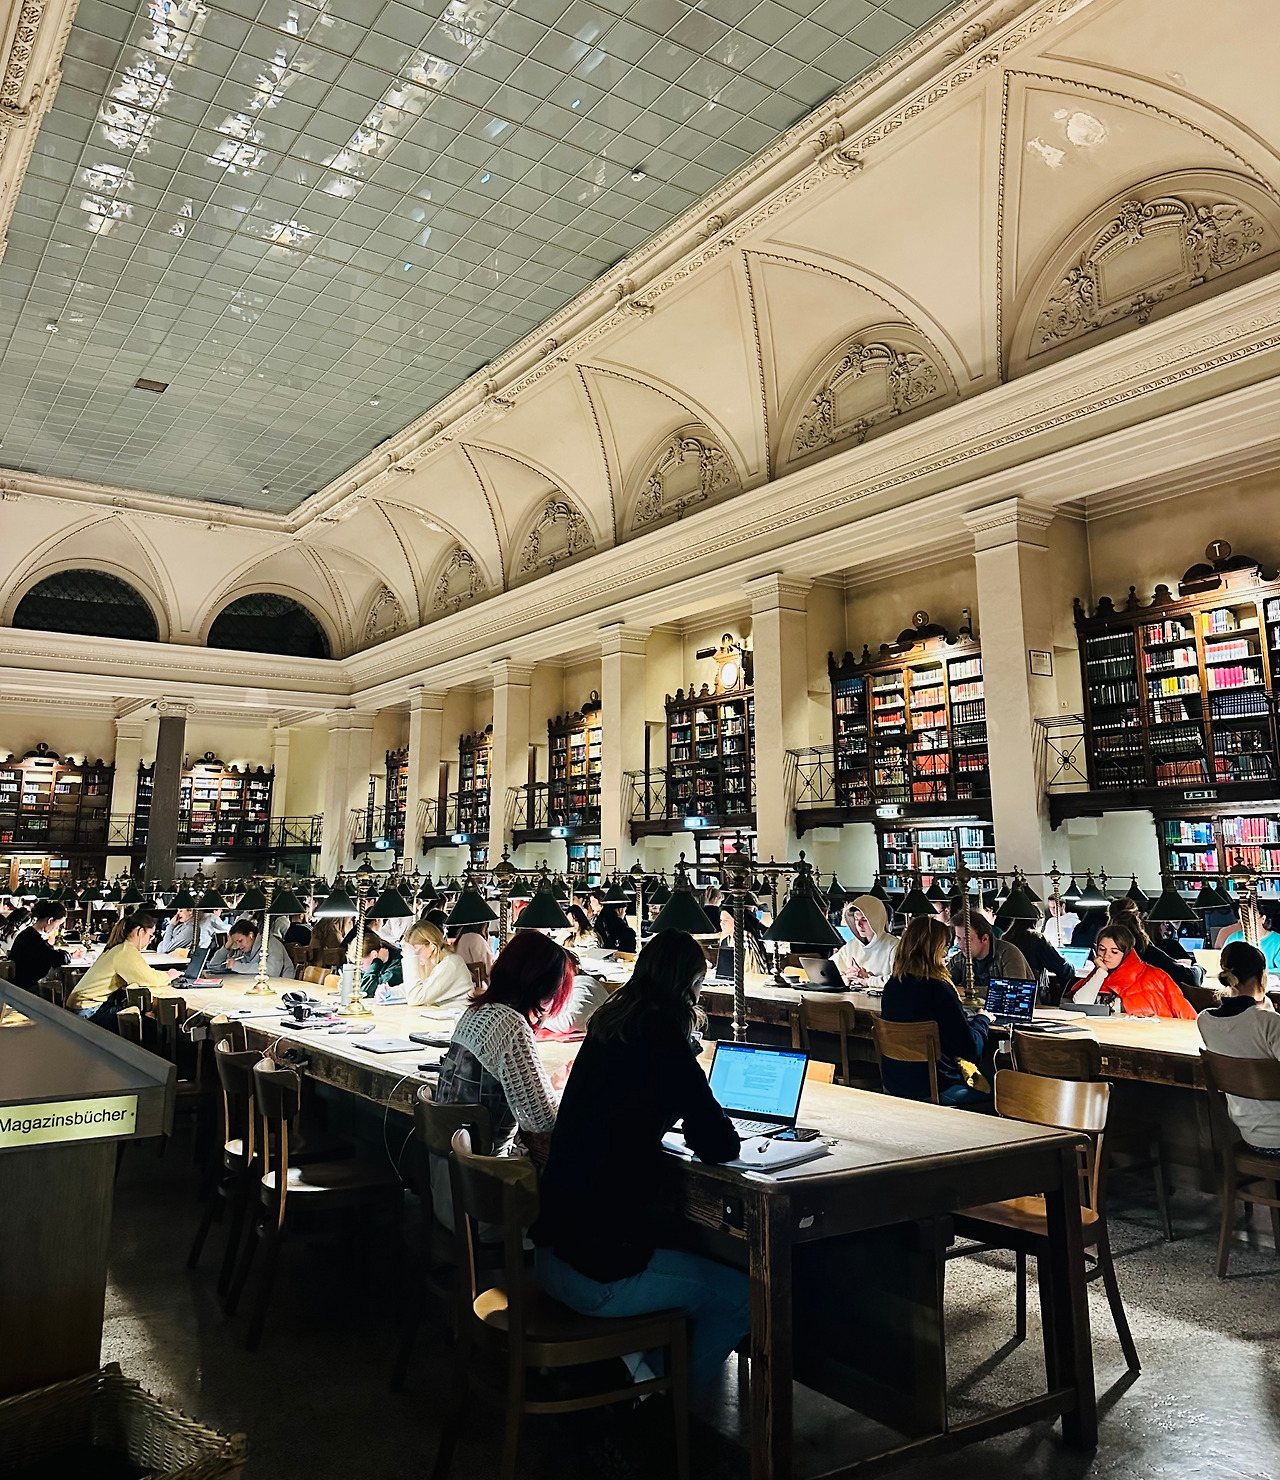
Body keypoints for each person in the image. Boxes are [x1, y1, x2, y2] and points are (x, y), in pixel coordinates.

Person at [531, 932, 750, 1394]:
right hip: (599, 1270)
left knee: (687, 1250)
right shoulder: (663, 1034)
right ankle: (661, 1409)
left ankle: (639, 1378)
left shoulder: (610, 1026)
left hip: (552, 1253)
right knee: (744, 1298)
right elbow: (718, 1144)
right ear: (689, 986)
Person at [431, 932, 575, 1223]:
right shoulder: (511, 1026)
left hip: (447, 1193)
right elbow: (542, 1120)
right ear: (544, 988)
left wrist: (549, 1085)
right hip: (486, 1200)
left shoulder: (476, 1012)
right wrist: (566, 1095)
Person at [881, 915, 993, 1108]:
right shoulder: (938, 990)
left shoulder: (892, 986)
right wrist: (983, 1019)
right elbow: (971, 1050)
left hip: (896, 1084)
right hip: (937, 1088)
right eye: (945, 948)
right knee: (1003, 1094)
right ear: (937, 950)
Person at [1197, 940, 1280, 1157]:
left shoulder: (1205, 1021)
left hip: (1250, 1137)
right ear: (1262, 976)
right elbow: (1258, 1021)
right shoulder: (1270, 1024)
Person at [1064, 925, 1196, 1018]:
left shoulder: (1155, 976)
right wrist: (1101, 972)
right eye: (1102, 949)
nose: (1106, 955)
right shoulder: (1096, 976)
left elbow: (1187, 1015)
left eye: (1114, 952)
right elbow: (1079, 1005)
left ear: (1126, 952)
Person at [66, 911, 182, 1017]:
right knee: (146, 1019)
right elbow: (149, 978)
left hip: (80, 1005)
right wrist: (169, 976)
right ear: (140, 931)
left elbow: (143, 973)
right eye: (150, 935)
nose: (150, 940)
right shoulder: (126, 951)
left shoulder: (118, 947)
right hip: (87, 1009)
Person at [1106, 897, 1201, 989]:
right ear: (1137, 919)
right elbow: (1190, 978)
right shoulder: (1144, 950)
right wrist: (1198, 967)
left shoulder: (1105, 953)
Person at [999, 908, 1078, 1004]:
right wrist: (1072, 969)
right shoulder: (1036, 939)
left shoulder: (1004, 938)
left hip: (1006, 994)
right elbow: (1061, 967)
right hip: (1032, 996)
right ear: (1036, 921)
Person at [948, 910, 1032, 995]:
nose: (961, 944)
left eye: (967, 939)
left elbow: (1015, 990)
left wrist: (967, 991)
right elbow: (945, 982)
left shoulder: (1008, 954)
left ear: (984, 938)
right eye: (959, 938)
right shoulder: (959, 959)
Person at [403, 918, 473, 1013]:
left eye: (416, 951)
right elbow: (414, 988)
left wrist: (410, 958)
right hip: (441, 1017)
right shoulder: (431, 962)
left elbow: (415, 997)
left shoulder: (450, 963)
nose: (415, 956)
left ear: (432, 945)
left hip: (458, 1019)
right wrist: (390, 992)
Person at [833, 895, 898, 985]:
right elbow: (830, 970)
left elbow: (898, 981)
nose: (859, 924)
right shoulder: (851, 946)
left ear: (876, 920)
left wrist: (868, 980)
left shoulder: (895, 946)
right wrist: (846, 978)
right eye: (856, 919)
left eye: (864, 919)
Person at [8, 900, 70, 991]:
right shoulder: (32, 939)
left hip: (21, 985)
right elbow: (58, 959)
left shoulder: (28, 934)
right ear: (50, 921)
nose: (57, 928)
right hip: (26, 988)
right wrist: (67, 954)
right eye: (58, 924)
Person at [206, 918, 295, 979]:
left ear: (251, 935)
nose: (239, 945)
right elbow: (213, 966)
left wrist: (237, 966)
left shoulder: (270, 943)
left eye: (240, 941)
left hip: (281, 986)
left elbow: (272, 971)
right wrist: (227, 946)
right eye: (236, 942)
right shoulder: (244, 950)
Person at [1218, 901, 1280, 972]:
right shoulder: (1233, 939)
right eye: (1243, 920)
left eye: (1252, 919)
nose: (1248, 924)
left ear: (1263, 919)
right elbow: (1223, 965)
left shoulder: (1277, 941)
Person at [715, 903, 768, 980]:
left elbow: (753, 968)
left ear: (737, 921)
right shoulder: (725, 939)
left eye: (726, 920)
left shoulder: (745, 936)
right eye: (721, 920)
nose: (722, 923)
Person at [359, 930, 403, 1000]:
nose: (359, 968)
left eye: (361, 963)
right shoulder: (369, 966)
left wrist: (377, 962)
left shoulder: (396, 968)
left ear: (374, 954)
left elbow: (366, 991)